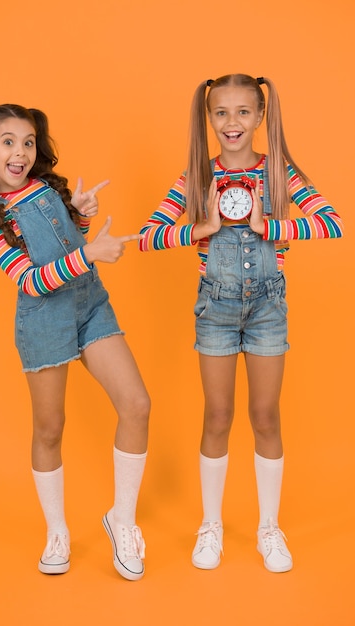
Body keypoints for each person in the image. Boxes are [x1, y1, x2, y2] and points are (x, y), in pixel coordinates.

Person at [139, 74, 343, 573]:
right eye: (221, 113)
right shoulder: (196, 177)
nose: (232, 123)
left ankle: (268, 528)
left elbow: (330, 222)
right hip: (217, 310)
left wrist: (267, 226)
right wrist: (201, 229)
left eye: (243, 112)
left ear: (260, 117)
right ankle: (211, 526)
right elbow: (146, 237)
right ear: (208, 119)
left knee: (266, 417)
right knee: (217, 416)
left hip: (269, 309)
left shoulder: (280, 173)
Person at [0, 103, 150, 581]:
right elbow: (30, 280)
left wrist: (82, 219)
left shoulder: (45, 187)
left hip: (90, 306)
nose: (20, 152)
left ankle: (121, 520)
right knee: (49, 429)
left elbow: (70, 246)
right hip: (44, 320)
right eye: (8, 142)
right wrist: (90, 251)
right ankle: (57, 531)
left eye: (27, 142)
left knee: (137, 404)